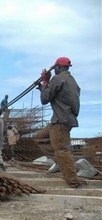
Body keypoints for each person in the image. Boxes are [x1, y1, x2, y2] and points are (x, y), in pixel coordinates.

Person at [34, 57, 86, 188]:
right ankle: (60, 162)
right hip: (63, 118)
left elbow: (45, 99)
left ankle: (73, 182)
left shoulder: (57, 79)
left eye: (55, 67)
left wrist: (45, 82)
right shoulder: (71, 80)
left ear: (58, 67)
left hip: (61, 120)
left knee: (61, 150)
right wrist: (44, 86)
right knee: (41, 137)